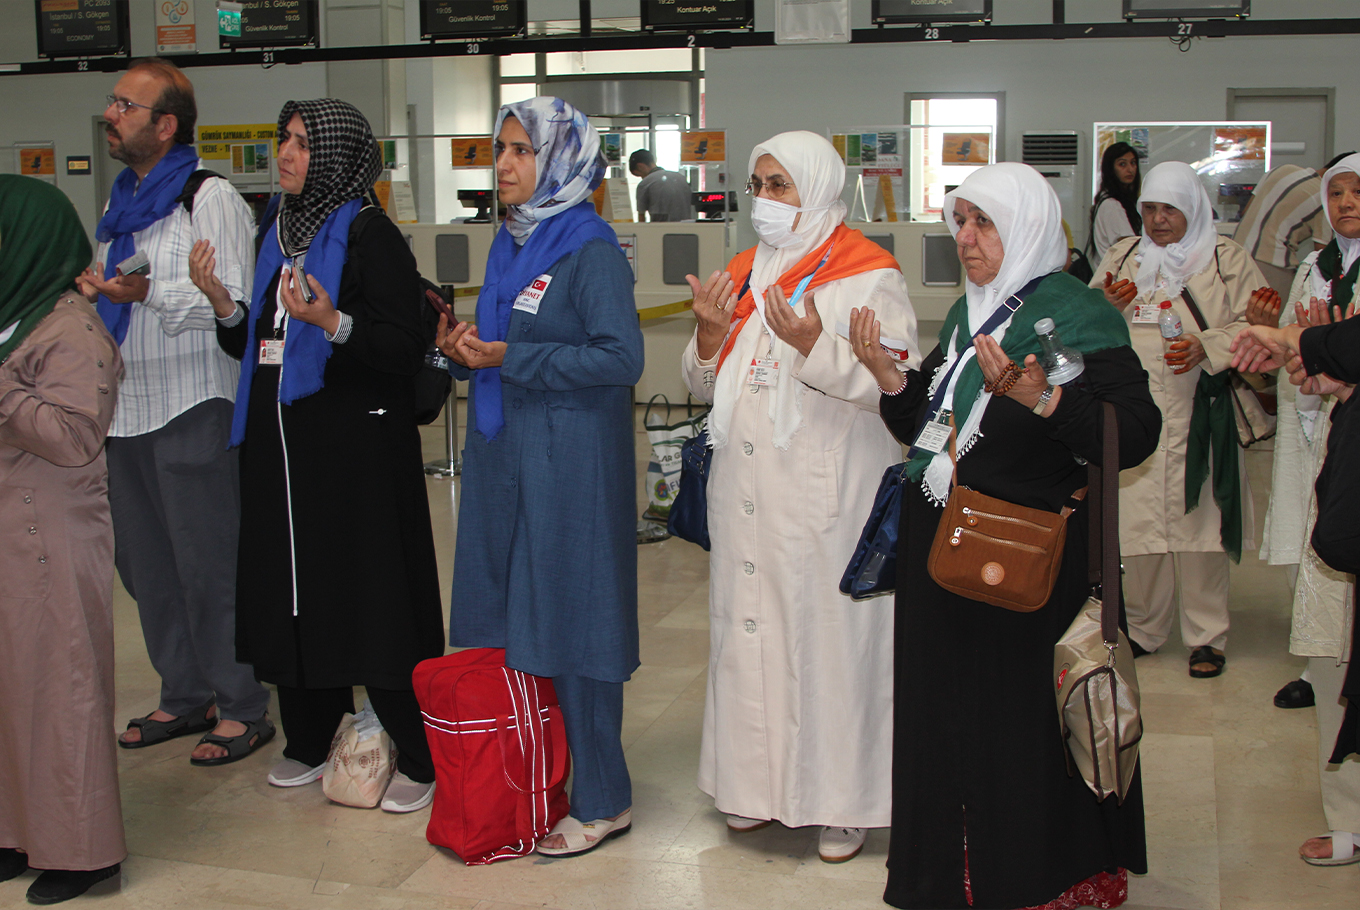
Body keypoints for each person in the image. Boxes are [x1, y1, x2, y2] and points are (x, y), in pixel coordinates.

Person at [851, 162, 1157, 909]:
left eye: (983, 223)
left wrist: (1042, 396)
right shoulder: (971, 315)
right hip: (945, 554)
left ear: (1022, 228)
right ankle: (951, 874)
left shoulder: (1074, 316)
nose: (966, 238)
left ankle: (1038, 875)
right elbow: (924, 423)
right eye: (960, 222)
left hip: (1027, 564)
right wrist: (886, 377)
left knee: (1016, 727)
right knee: (947, 719)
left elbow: (1134, 433)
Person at [196, 99, 445, 809]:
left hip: (356, 454)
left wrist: (332, 322)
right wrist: (224, 306)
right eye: (284, 139)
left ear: (335, 155)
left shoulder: (371, 237)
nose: (285, 154)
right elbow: (260, 347)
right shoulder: (275, 232)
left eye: (303, 144)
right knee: (294, 592)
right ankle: (310, 733)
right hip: (282, 452)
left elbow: (398, 347)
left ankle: (417, 754)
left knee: (370, 594)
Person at [681, 130, 919, 864]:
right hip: (747, 492)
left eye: (780, 185)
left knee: (828, 648)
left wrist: (818, 345)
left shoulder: (867, 274)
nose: (765, 201)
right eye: (758, 185)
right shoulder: (747, 270)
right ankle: (753, 788)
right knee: (750, 636)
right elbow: (701, 383)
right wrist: (709, 334)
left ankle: (843, 802)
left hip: (829, 496)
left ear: (815, 188)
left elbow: (897, 386)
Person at [438, 97, 644, 855]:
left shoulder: (587, 248)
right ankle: (540, 771)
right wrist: (465, 345)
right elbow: (507, 334)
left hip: (570, 465)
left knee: (577, 620)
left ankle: (603, 797)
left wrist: (510, 358)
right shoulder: (511, 241)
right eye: (501, 150)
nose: (505, 166)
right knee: (519, 617)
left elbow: (622, 359)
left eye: (522, 152)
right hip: (508, 451)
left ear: (560, 160)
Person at [76, 57, 271, 763]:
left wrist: (149, 293)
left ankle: (242, 703)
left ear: (165, 124)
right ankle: (185, 693)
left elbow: (234, 302)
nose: (112, 114)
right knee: (147, 567)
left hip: (192, 402)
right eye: (113, 101)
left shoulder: (207, 195)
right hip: (126, 409)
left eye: (127, 105)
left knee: (206, 563)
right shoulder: (117, 204)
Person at [1091, 161, 1271, 678]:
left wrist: (1206, 347)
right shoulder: (1123, 256)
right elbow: (1084, 322)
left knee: (1201, 525)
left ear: (1193, 208)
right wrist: (1105, 306)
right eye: (1149, 208)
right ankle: (1145, 628)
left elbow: (1256, 329)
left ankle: (1206, 635)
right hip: (1136, 408)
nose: (1158, 219)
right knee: (1139, 522)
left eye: (1170, 208)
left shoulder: (1225, 259)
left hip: (1200, 410)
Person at [0, 177, 126, 903]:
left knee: (63, 689)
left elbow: (75, 437)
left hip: (53, 531)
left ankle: (83, 853)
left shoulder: (71, 329)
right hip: (13, 537)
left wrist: (4, 392)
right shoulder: (16, 318)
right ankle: (17, 832)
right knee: (14, 688)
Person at [1237, 152, 1360, 867]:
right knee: (1332, 659)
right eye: (1335, 192)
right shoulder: (1317, 270)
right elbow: (1300, 366)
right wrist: (1297, 355)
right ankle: (1347, 819)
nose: (1346, 204)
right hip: (1328, 455)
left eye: (1358, 192)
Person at [1232, 155, 1348, 297]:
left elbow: (1246, 211)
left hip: (1236, 253)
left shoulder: (1281, 169)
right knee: (1271, 316)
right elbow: (1322, 253)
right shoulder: (1325, 199)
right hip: (1272, 264)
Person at [1089, 142, 1142, 261]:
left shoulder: (1118, 201)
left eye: (1133, 163)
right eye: (1122, 164)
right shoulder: (1112, 205)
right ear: (1111, 169)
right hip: (1116, 275)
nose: (1130, 169)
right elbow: (1129, 247)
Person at [629, 148, 693, 222]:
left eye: (640, 175)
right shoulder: (681, 178)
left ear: (640, 166)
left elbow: (641, 217)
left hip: (659, 230)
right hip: (686, 229)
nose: (642, 178)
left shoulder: (645, 183)